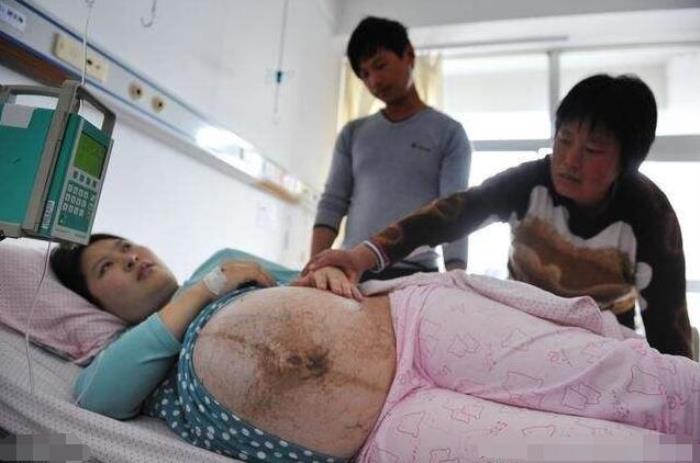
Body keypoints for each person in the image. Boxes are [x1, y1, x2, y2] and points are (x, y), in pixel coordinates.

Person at [50, 235, 700, 463]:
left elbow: (318, 283)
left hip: (417, 325)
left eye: (128, 246)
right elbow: (96, 399)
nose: (129, 258)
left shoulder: (224, 258)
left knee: (624, 376)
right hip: (389, 429)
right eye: (107, 267)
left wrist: (330, 273)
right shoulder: (132, 363)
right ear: (97, 304)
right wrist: (203, 293)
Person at [305, 73, 693, 358]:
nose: (569, 160)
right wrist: (359, 257)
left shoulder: (650, 216)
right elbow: (449, 215)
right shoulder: (530, 181)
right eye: (564, 139)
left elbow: (668, 332)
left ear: (627, 162)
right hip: (521, 327)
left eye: (592, 149)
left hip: (601, 343)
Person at [311, 16, 471, 281]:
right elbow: (332, 202)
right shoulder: (353, 133)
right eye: (364, 74)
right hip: (352, 272)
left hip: (417, 275)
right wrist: (315, 268)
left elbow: (453, 210)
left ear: (409, 55)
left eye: (380, 65)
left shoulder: (449, 134)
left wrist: (457, 276)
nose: (374, 81)